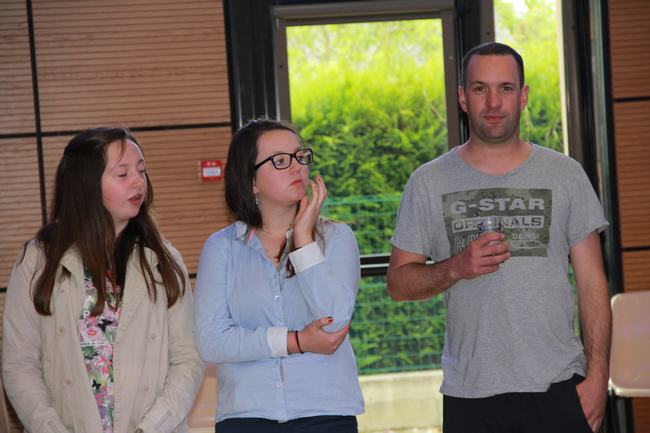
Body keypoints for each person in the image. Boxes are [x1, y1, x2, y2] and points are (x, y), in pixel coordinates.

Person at [387, 42, 611, 433]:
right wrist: (456, 267)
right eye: (480, 89)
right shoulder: (427, 182)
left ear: (523, 96)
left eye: (505, 88)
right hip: (471, 394)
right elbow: (398, 284)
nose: (493, 102)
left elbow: (593, 284)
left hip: (559, 387)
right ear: (463, 98)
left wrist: (598, 378)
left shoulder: (565, 175)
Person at [2, 127, 204, 433]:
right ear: (86, 185)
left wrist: (150, 428)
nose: (138, 182)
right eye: (122, 174)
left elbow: (189, 358)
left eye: (141, 171)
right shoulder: (39, 260)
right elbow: (20, 364)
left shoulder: (161, 259)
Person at [194, 118, 364, 433]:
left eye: (300, 156)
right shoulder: (222, 247)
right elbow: (211, 342)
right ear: (251, 182)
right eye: (280, 161)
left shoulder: (336, 238)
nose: (297, 167)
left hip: (325, 412)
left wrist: (304, 240)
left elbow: (335, 323)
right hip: (246, 414)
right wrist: (295, 341)